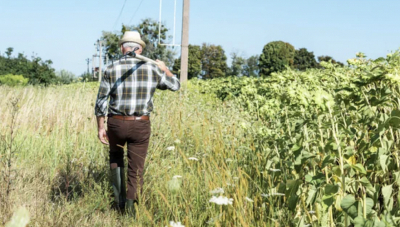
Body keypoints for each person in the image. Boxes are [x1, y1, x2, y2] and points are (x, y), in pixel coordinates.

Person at [94, 31, 180, 214]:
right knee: (136, 167)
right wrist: (165, 68)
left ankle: (118, 204)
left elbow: (101, 101)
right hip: (140, 124)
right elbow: (175, 85)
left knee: (116, 159)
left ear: (121, 48)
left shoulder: (111, 68)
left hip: (116, 123)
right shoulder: (153, 68)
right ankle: (131, 210)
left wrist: (101, 127)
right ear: (140, 49)